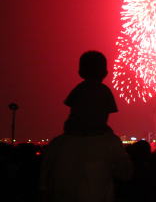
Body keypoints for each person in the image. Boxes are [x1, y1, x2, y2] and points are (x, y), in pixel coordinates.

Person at [40, 51, 132, 202]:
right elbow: (126, 174)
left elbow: (43, 186)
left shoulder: (58, 145)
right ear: (105, 72)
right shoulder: (110, 143)